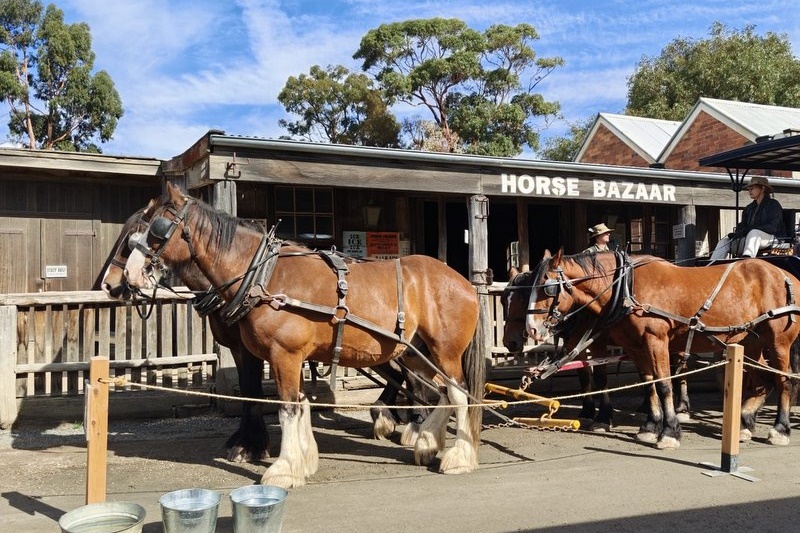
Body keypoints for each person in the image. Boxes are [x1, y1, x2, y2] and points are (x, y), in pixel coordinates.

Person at [710, 176, 784, 260]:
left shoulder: (773, 205)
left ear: (762, 188)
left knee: (754, 233)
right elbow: (742, 225)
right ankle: (712, 266)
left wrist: (750, 229)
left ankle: (747, 261)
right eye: (748, 189)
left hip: (769, 239)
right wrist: (738, 232)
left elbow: (773, 227)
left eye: (752, 188)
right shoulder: (749, 208)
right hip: (750, 239)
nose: (749, 191)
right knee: (724, 242)